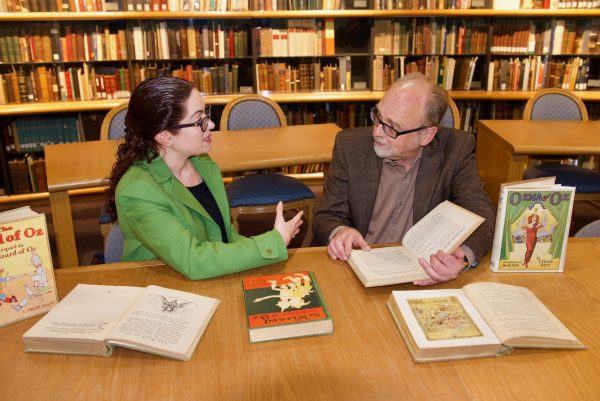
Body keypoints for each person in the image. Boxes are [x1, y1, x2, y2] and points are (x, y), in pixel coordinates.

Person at [105, 76, 303, 280]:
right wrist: (273, 242)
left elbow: (224, 236)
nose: (211, 124)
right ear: (165, 136)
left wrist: (267, 245)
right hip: (164, 288)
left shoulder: (203, 164)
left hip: (211, 278)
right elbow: (193, 260)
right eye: (199, 120)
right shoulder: (138, 190)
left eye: (206, 114)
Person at [313, 73, 495, 286]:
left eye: (391, 127)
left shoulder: (455, 149)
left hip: (421, 274)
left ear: (426, 135)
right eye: (377, 116)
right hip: (358, 270)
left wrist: (460, 258)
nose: (377, 132)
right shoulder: (350, 146)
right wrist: (340, 231)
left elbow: (483, 215)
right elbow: (326, 215)